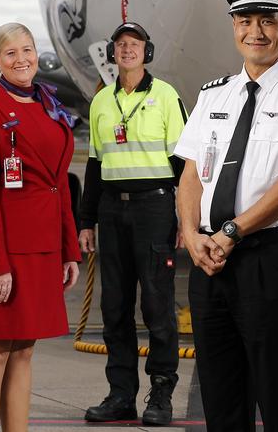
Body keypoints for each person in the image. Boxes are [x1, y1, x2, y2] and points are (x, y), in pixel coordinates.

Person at [174, 0, 278, 431]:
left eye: (268, 20)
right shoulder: (212, 95)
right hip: (208, 264)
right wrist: (191, 234)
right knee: (220, 397)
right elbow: (190, 173)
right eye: (245, 20)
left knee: (276, 394)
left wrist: (231, 232)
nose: (256, 31)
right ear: (233, 27)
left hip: (267, 260)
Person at [0, 22, 81, 432]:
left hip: (42, 247)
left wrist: (68, 250)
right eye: (10, 53)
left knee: (24, 350)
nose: (21, 59)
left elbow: (58, 182)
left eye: (27, 50)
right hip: (1, 249)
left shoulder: (47, 102)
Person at [79, 22, 187, 426]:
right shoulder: (102, 101)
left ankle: (160, 394)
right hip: (112, 209)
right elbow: (94, 163)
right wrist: (86, 220)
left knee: (157, 307)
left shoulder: (166, 96)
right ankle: (120, 395)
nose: (127, 50)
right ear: (113, 53)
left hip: (154, 209)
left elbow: (183, 164)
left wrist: (186, 217)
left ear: (148, 52)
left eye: (135, 45)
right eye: (121, 45)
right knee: (115, 308)